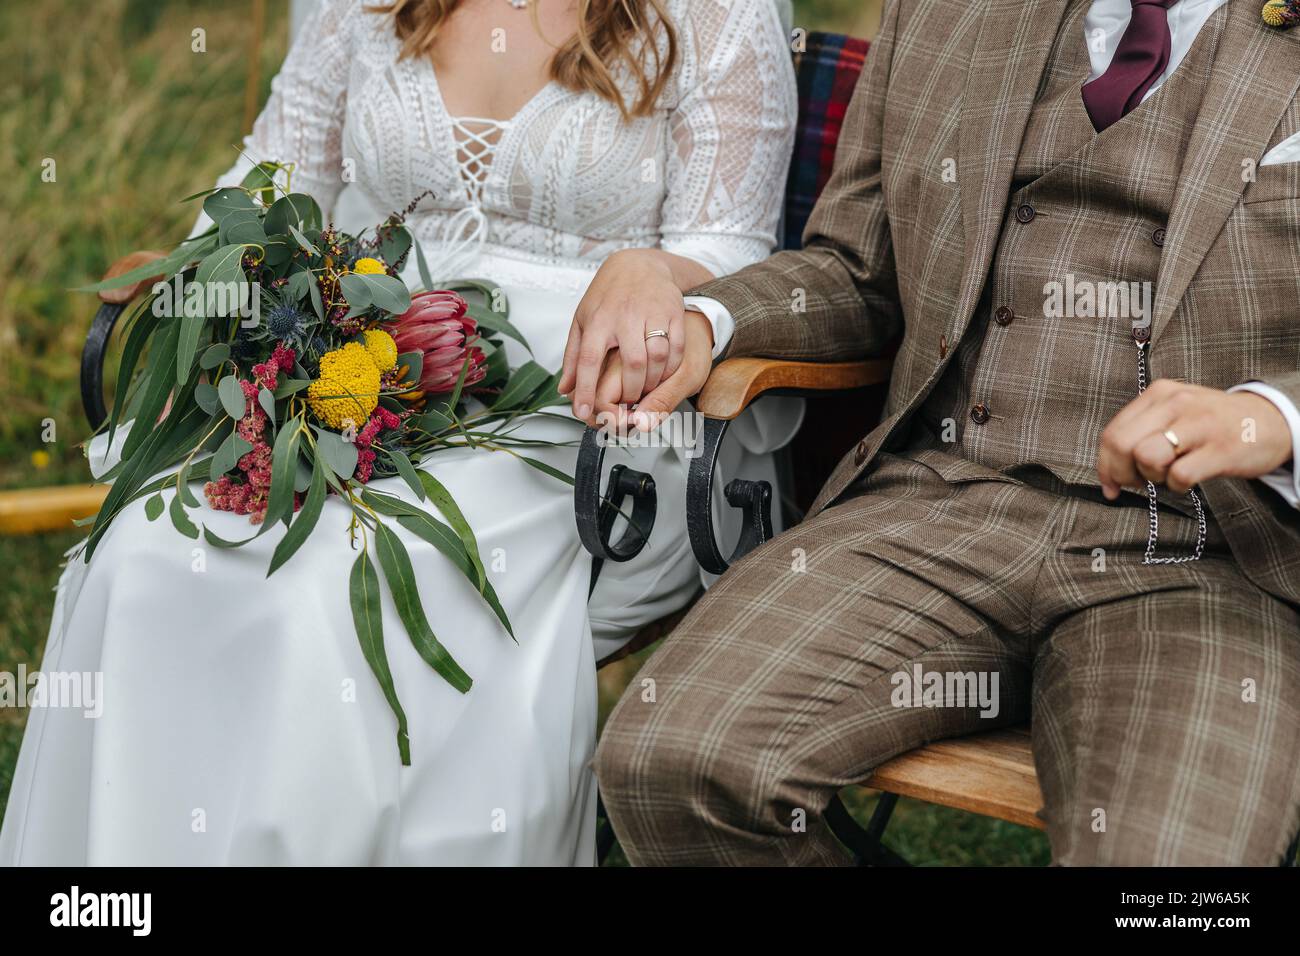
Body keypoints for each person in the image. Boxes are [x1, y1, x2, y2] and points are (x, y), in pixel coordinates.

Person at [0, 0, 797, 865]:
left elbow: (733, 251)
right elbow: (274, 179)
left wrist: (656, 270)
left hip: (579, 412)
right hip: (349, 366)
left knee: (329, 579)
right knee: (148, 548)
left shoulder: (717, 16)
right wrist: (190, 299)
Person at [592, 0, 1300, 865]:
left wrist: (1272, 416)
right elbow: (857, 271)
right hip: (941, 506)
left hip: (1214, 552)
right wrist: (710, 322)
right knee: (671, 763)